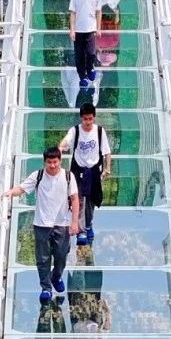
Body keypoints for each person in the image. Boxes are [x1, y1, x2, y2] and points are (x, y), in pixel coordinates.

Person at [3, 146, 79, 304]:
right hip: (41, 224)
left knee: (61, 255)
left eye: (55, 162)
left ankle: (56, 277)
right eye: (49, 162)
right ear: (45, 162)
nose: (52, 165)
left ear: (60, 161)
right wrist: (10, 192)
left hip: (62, 224)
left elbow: (75, 199)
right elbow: (22, 189)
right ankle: (46, 287)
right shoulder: (38, 176)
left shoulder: (68, 176)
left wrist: (74, 222)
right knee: (43, 259)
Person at [59, 101, 112, 245]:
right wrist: (60, 148)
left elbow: (107, 152)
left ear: (94, 118)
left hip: (94, 170)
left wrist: (107, 168)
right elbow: (66, 141)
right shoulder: (75, 130)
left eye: (90, 118)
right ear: (81, 118)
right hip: (78, 170)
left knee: (92, 201)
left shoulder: (100, 131)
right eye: (85, 119)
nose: (87, 122)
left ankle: (89, 225)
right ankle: (81, 231)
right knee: (79, 199)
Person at [68, 0, 102, 90]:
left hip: (90, 29)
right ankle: (82, 77)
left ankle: (90, 68)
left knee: (91, 52)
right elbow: (72, 13)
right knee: (79, 56)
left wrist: (98, 28)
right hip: (78, 30)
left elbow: (98, 12)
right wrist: (72, 30)